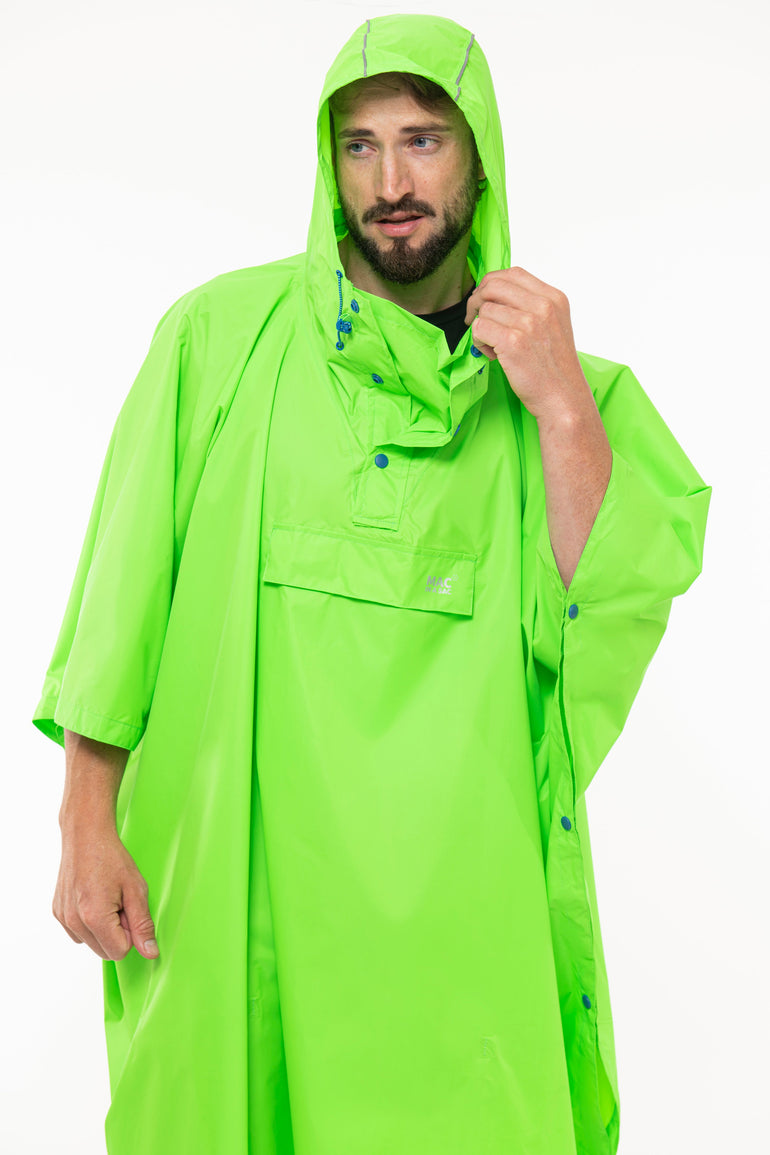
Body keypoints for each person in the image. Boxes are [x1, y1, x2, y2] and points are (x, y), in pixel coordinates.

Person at [33, 14, 710, 1155]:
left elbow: (601, 612)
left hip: (461, 914)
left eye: (422, 141)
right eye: (359, 145)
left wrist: (558, 405)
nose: (390, 183)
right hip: (238, 895)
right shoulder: (221, 339)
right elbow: (122, 588)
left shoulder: (563, 395)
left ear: (481, 156)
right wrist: (83, 820)